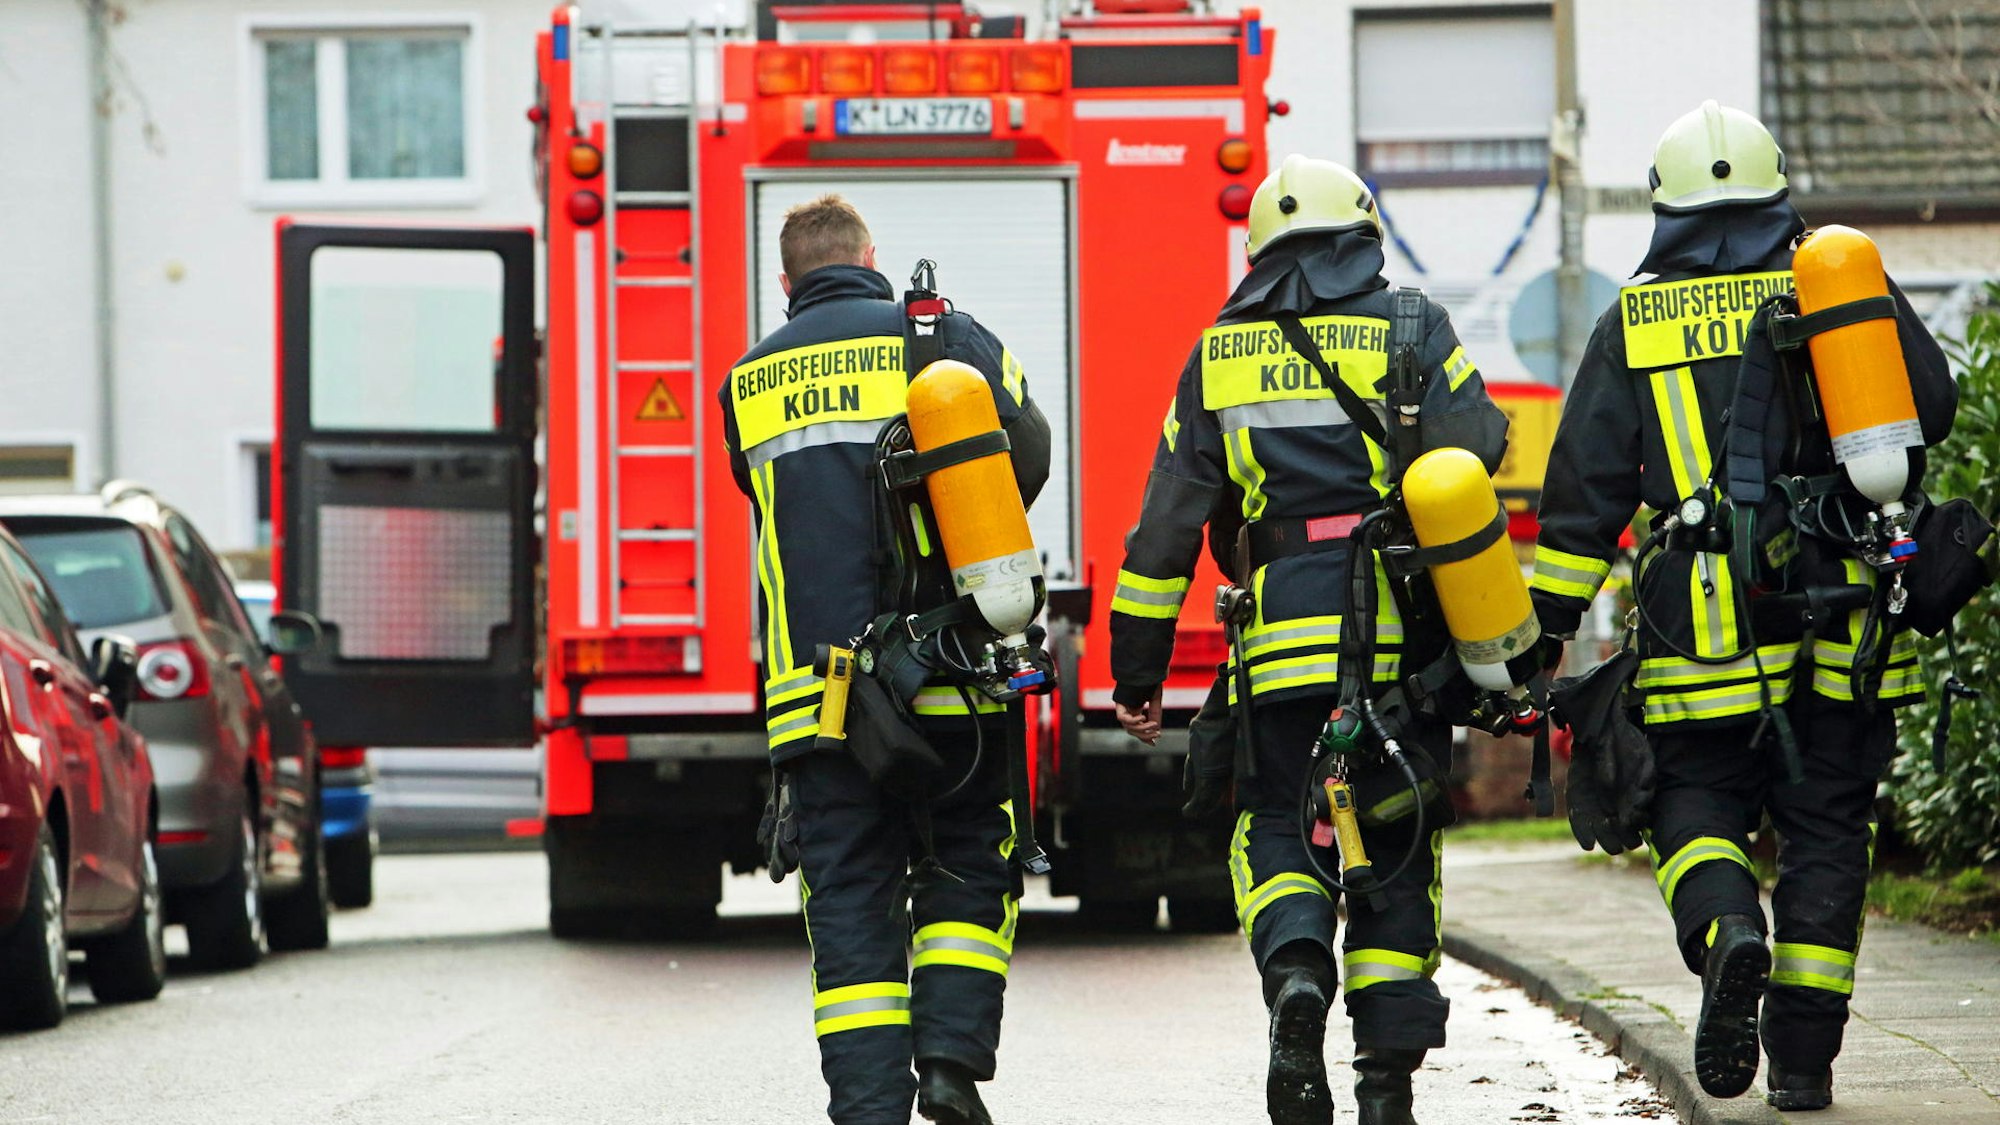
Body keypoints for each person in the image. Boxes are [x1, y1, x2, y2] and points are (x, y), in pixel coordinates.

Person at [1530, 102, 1956, 1112]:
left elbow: (1581, 496)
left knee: (1691, 808)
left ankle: (1728, 937)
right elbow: (1930, 407)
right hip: (1845, 617)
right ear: (1775, 190)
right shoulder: (1835, 282)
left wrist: (1536, 641)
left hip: (1698, 630)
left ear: (1662, 205)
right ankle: (1802, 1065)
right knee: (1826, 831)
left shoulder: (1628, 320)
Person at [1109, 155, 1509, 1125]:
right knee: (1396, 847)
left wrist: (1137, 671)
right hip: (1396, 649)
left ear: (1261, 255)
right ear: (1362, 238)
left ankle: (1295, 980)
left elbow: (1163, 532)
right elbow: (1481, 448)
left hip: (1279, 648)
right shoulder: (1412, 328)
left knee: (1278, 828)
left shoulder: (1217, 355)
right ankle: (1385, 1082)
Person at [718, 195, 1052, 1125]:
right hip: (953, 677)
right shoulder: (944, 336)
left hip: (820, 705)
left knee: (852, 905)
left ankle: (869, 1111)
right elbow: (1029, 454)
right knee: (966, 868)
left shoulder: (747, 381)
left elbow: (763, 488)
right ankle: (948, 1066)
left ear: (785, 282)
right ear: (872, 256)